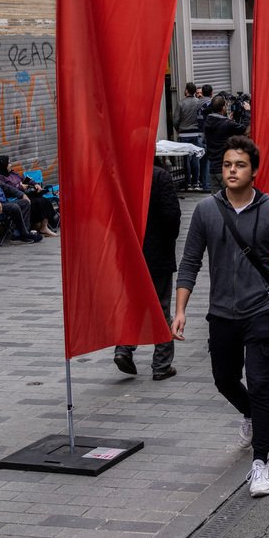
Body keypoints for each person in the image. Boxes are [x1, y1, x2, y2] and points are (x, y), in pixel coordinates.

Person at [173, 137, 269, 498]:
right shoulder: (207, 210)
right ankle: (252, 415)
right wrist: (180, 310)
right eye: (226, 165)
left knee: (260, 383)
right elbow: (190, 261)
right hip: (221, 313)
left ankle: (260, 463)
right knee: (224, 379)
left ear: (254, 171)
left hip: (261, 312)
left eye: (239, 165)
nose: (232, 171)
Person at [114, 163, 182, 380]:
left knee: (133, 304)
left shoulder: (123, 173)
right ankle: (161, 364)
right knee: (160, 306)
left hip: (130, 252)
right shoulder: (159, 176)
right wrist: (168, 240)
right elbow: (172, 216)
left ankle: (123, 349)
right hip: (157, 252)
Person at [0, 155, 59, 238]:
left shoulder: (13, 173)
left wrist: (35, 184)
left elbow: (25, 179)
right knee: (36, 202)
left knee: (44, 200)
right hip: (14, 199)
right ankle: (36, 226)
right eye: (8, 163)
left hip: (25, 195)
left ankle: (43, 227)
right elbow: (7, 190)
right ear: (2, 165)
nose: (10, 165)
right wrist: (20, 187)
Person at [202, 95, 246, 188]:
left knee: (216, 200)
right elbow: (244, 129)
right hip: (224, 167)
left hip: (213, 168)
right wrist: (248, 111)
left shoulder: (207, 122)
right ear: (223, 108)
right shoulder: (227, 124)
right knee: (230, 198)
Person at [176, 82, 207, 190]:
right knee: (195, 158)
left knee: (186, 159)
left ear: (187, 91)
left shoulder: (181, 103)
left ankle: (188, 183)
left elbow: (176, 120)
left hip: (184, 133)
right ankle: (196, 182)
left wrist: (178, 129)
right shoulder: (198, 102)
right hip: (196, 133)